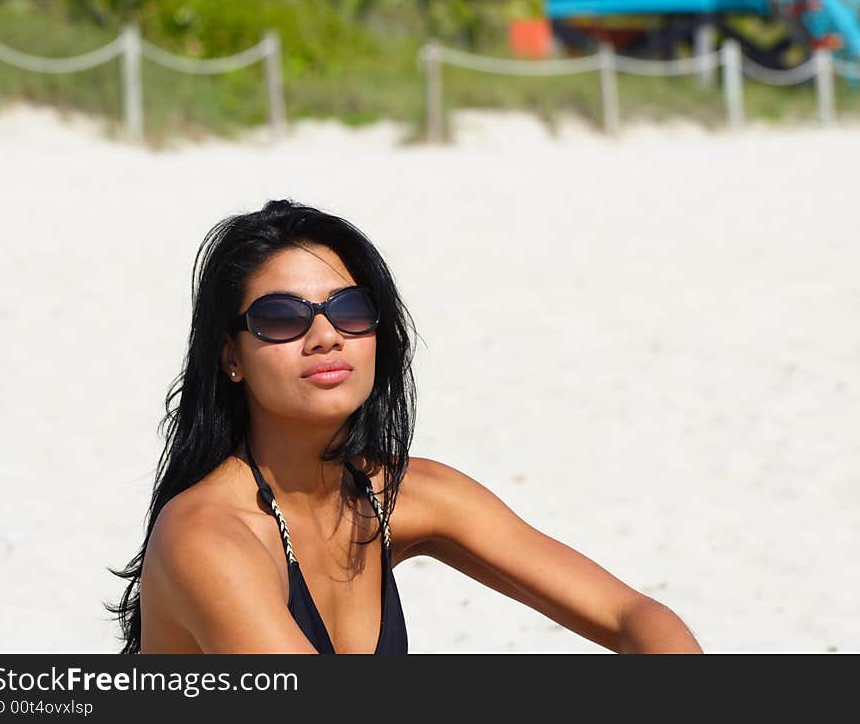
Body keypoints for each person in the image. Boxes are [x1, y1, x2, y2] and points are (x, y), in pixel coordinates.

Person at [107, 198, 703, 654]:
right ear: (230, 356)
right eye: (282, 318)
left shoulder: (403, 493)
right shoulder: (206, 538)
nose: (326, 336)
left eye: (349, 309)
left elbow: (636, 618)